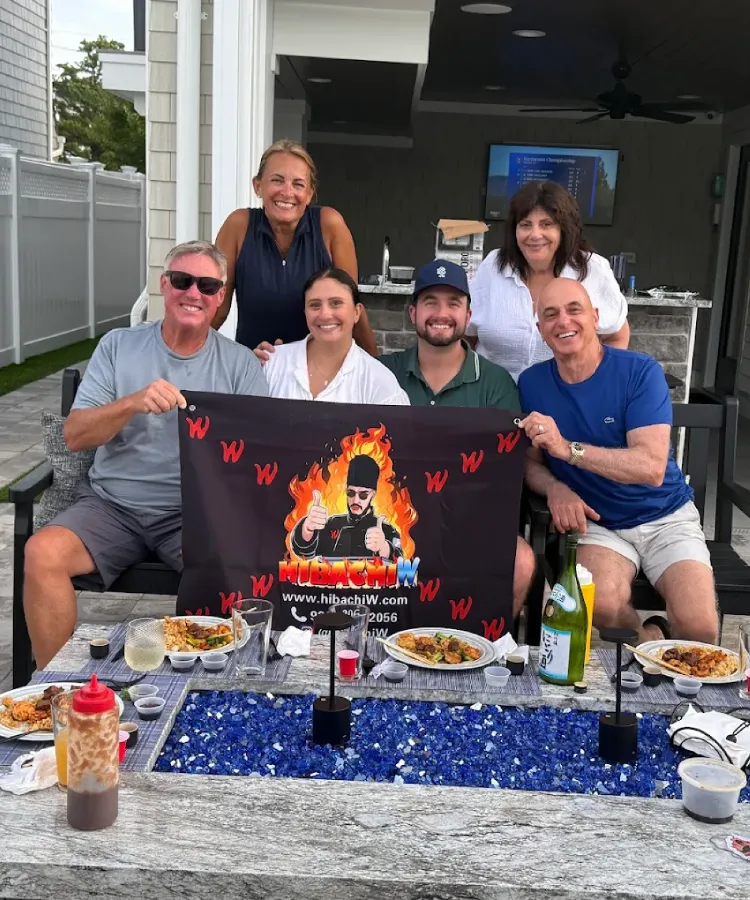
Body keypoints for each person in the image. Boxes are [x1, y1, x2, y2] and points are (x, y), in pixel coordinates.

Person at [24, 241, 269, 670]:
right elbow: (75, 435)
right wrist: (132, 403)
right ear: (164, 285)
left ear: (220, 297)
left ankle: (208, 685)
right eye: (183, 280)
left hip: (193, 514)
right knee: (42, 553)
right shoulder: (119, 345)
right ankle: (55, 686)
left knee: (238, 570)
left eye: (207, 285)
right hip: (112, 506)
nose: (193, 293)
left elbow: (255, 454)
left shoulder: (240, 364)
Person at [518, 277, 717, 644]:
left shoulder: (639, 371)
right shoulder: (532, 384)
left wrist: (568, 449)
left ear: (595, 317)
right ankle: (649, 641)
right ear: (540, 328)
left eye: (574, 310)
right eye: (551, 315)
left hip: (666, 517)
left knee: (699, 628)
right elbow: (531, 463)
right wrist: (555, 487)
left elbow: (650, 468)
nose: (563, 322)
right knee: (602, 603)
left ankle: (660, 652)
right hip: (599, 523)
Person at [379, 258, 537, 621]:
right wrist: (278, 357)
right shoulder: (383, 372)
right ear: (413, 313)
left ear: (468, 315)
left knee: (522, 561)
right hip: (392, 519)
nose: (441, 313)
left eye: (453, 303)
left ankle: (487, 648)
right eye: (430, 302)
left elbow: (503, 470)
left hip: (467, 520)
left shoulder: (495, 383)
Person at [212, 139, 377, 357]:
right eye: (277, 180)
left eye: (298, 184)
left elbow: (350, 308)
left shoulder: (329, 225)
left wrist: (377, 363)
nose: (287, 192)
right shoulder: (238, 226)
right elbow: (216, 308)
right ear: (258, 186)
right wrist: (185, 355)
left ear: (309, 194)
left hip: (319, 368)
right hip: (254, 365)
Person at [467, 180, 630, 382]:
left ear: (564, 229)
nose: (535, 235)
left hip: (563, 396)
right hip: (494, 396)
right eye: (525, 225)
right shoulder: (492, 266)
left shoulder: (592, 269)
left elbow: (617, 335)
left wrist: (597, 383)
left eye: (547, 224)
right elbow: (467, 334)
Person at [263, 267, 409, 405]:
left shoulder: (379, 381)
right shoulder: (272, 363)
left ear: (357, 312)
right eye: (315, 305)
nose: (325, 315)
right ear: (305, 313)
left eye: (336, 303)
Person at [291, 455, 402, 560]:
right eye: (351, 493)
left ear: (373, 494)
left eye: (363, 495)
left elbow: (400, 559)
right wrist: (307, 528)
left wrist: (383, 547)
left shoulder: (387, 530)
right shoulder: (332, 524)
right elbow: (304, 552)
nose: (355, 500)